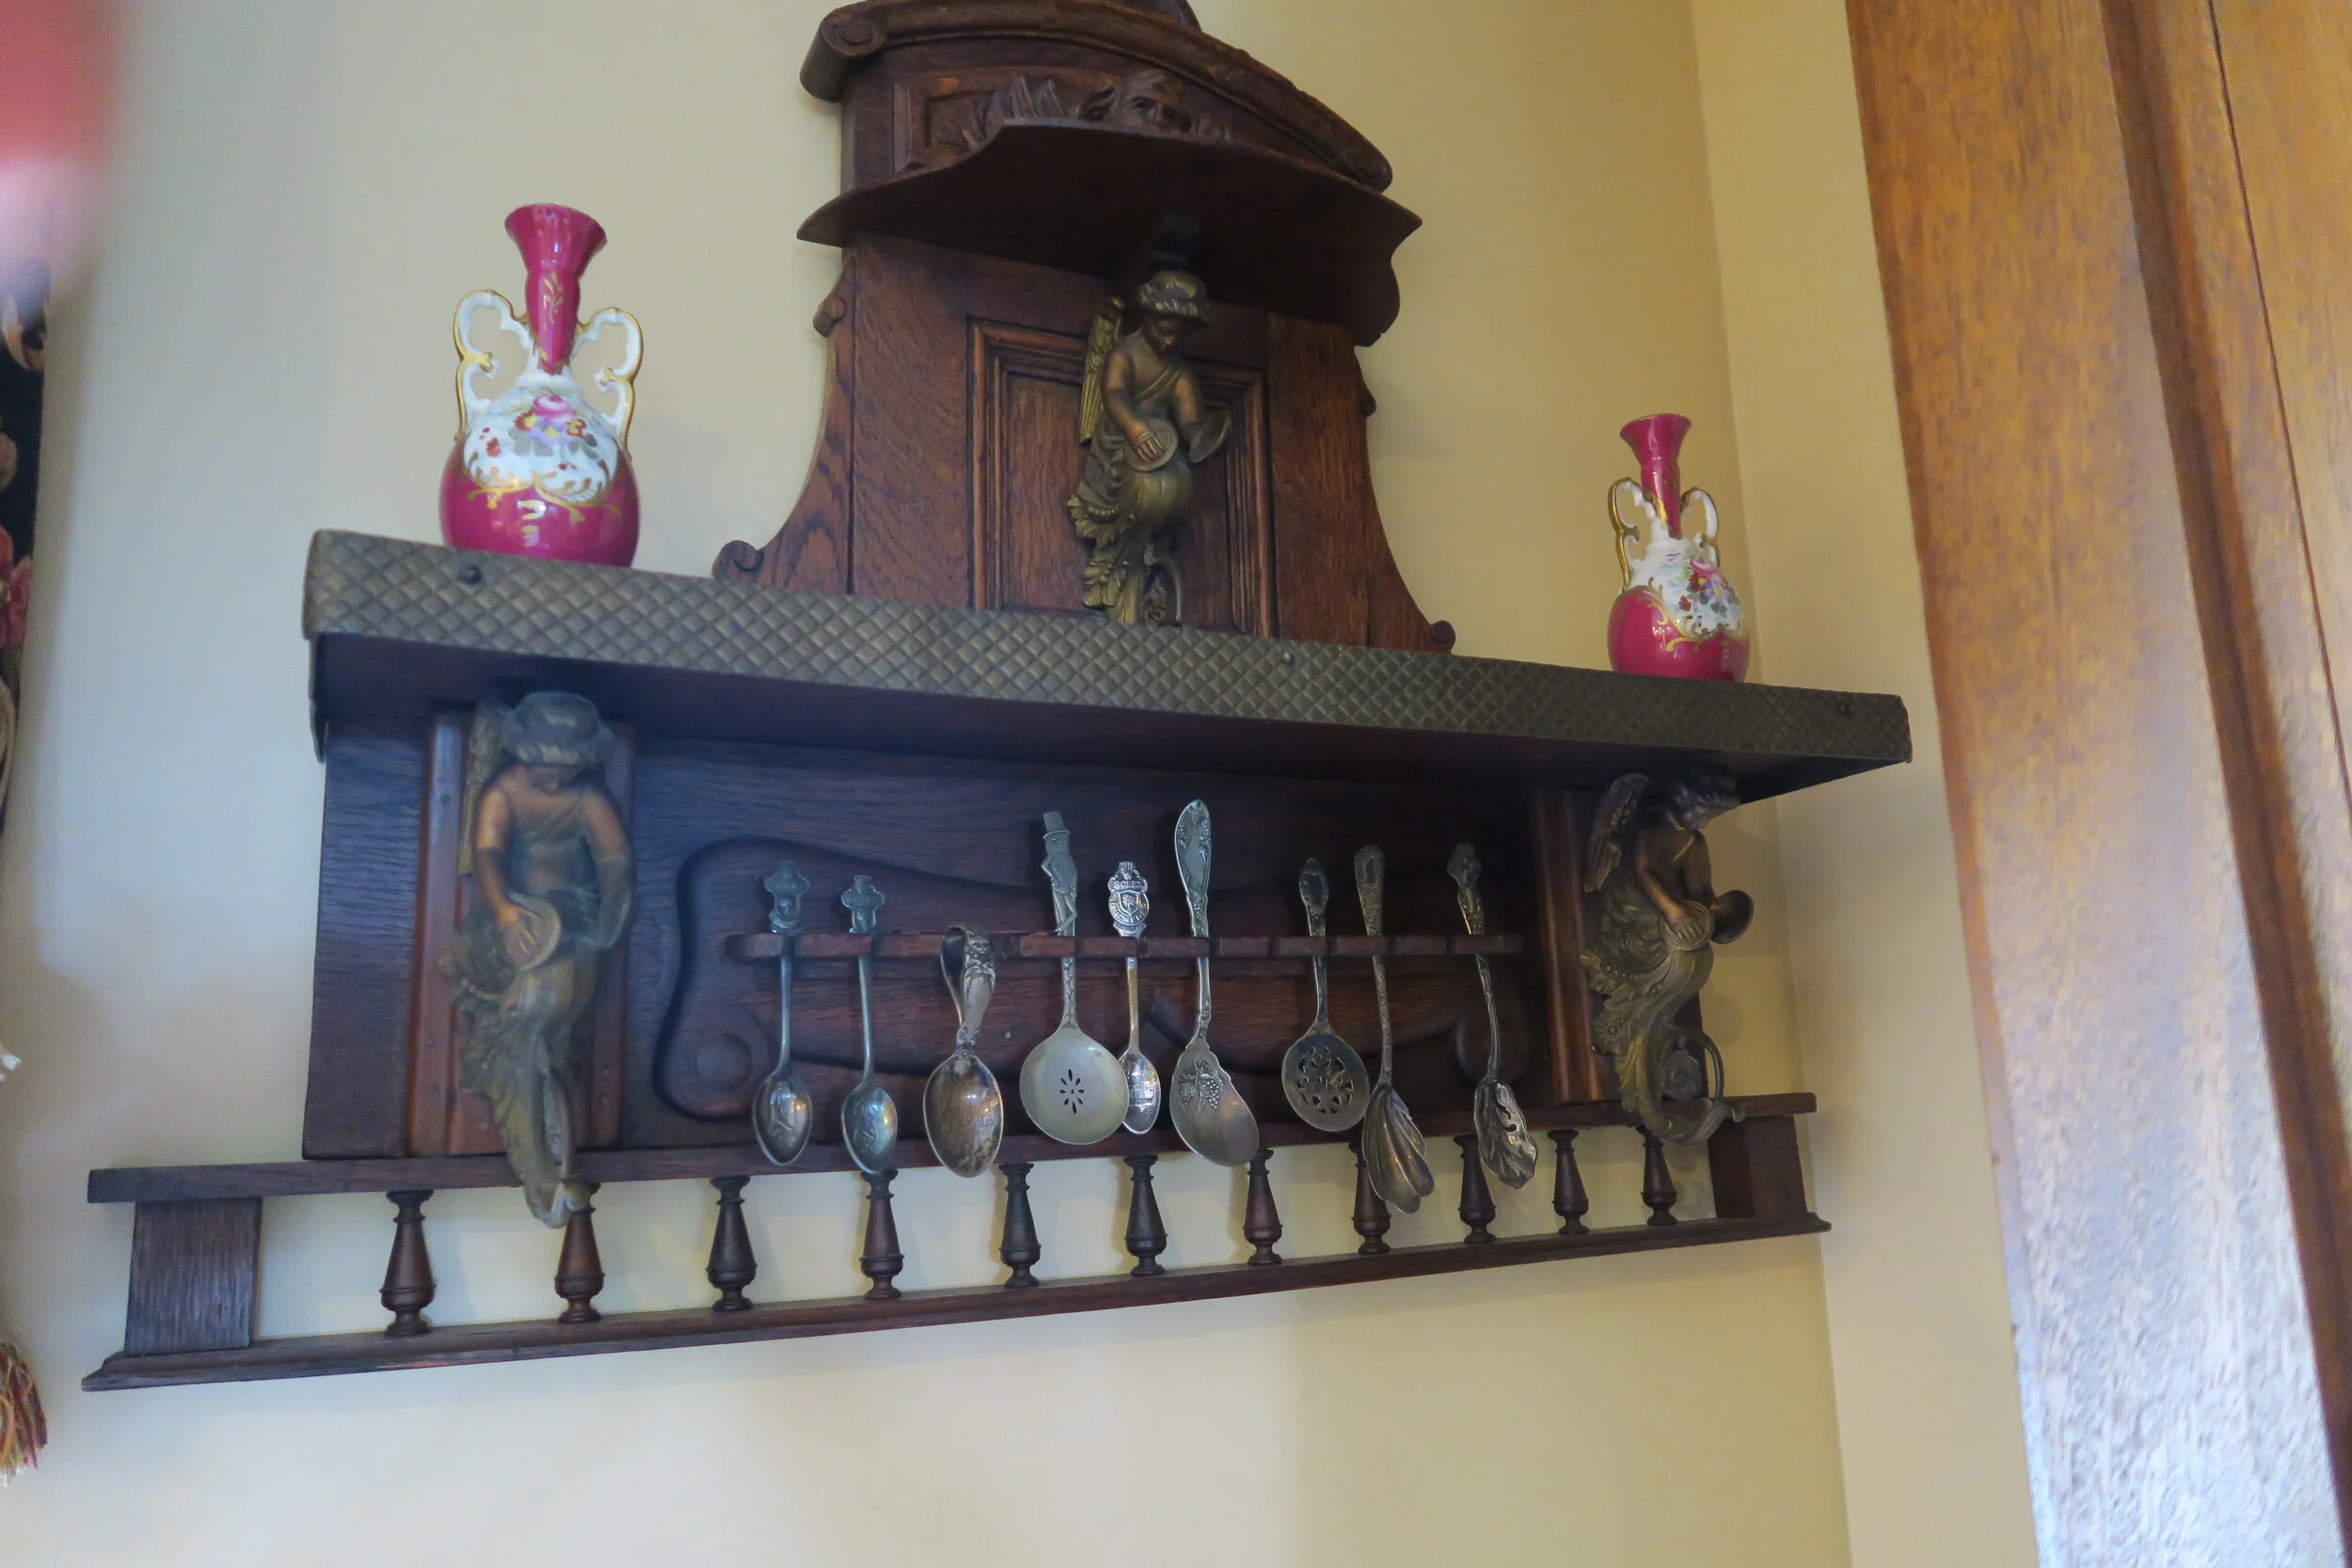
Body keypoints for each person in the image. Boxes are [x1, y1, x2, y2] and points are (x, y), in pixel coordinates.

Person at [445, 691, 633, 1226]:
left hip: (574, 920)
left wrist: (609, 917)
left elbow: (616, 864)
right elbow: (487, 855)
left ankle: (550, 1153)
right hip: (519, 920)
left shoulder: (590, 798)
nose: (553, 778)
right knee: (530, 1017)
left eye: (566, 765)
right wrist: (505, 914)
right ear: (522, 753)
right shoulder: (503, 792)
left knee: (557, 1018)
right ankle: (539, 1165)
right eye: (542, 764)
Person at [1069, 270, 1231, 624]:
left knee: (1176, 481)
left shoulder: (1180, 372)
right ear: (1149, 316)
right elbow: (1112, 394)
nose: (1171, 342)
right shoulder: (1124, 353)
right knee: (1145, 490)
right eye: (1165, 330)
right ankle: (1122, 572)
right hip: (1122, 447)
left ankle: (1148, 550)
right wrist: (1136, 429)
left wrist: (1204, 435)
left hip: (1158, 451)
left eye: (1180, 335)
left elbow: (1189, 420)